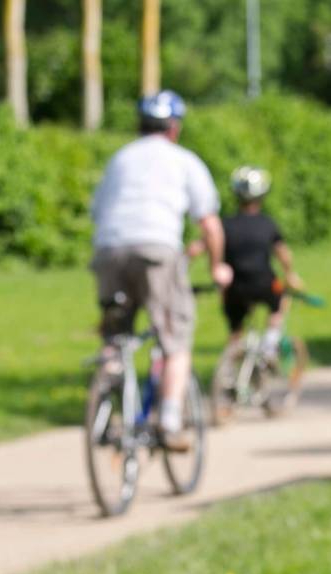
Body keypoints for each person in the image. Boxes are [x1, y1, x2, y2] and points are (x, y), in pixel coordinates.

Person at [88, 90, 232, 451]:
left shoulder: (119, 159)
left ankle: (105, 402)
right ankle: (168, 420)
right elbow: (210, 225)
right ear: (174, 127)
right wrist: (218, 267)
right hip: (156, 251)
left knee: (115, 336)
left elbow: (97, 211)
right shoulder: (183, 160)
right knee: (175, 338)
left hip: (108, 252)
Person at [211, 166, 302, 353]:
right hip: (264, 284)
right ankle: (269, 345)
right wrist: (290, 275)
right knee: (281, 299)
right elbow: (283, 253)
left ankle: (229, 364)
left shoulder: (225, 224)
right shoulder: (267, 223)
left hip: (233, 287)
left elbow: (203, 245)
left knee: (235, 328)